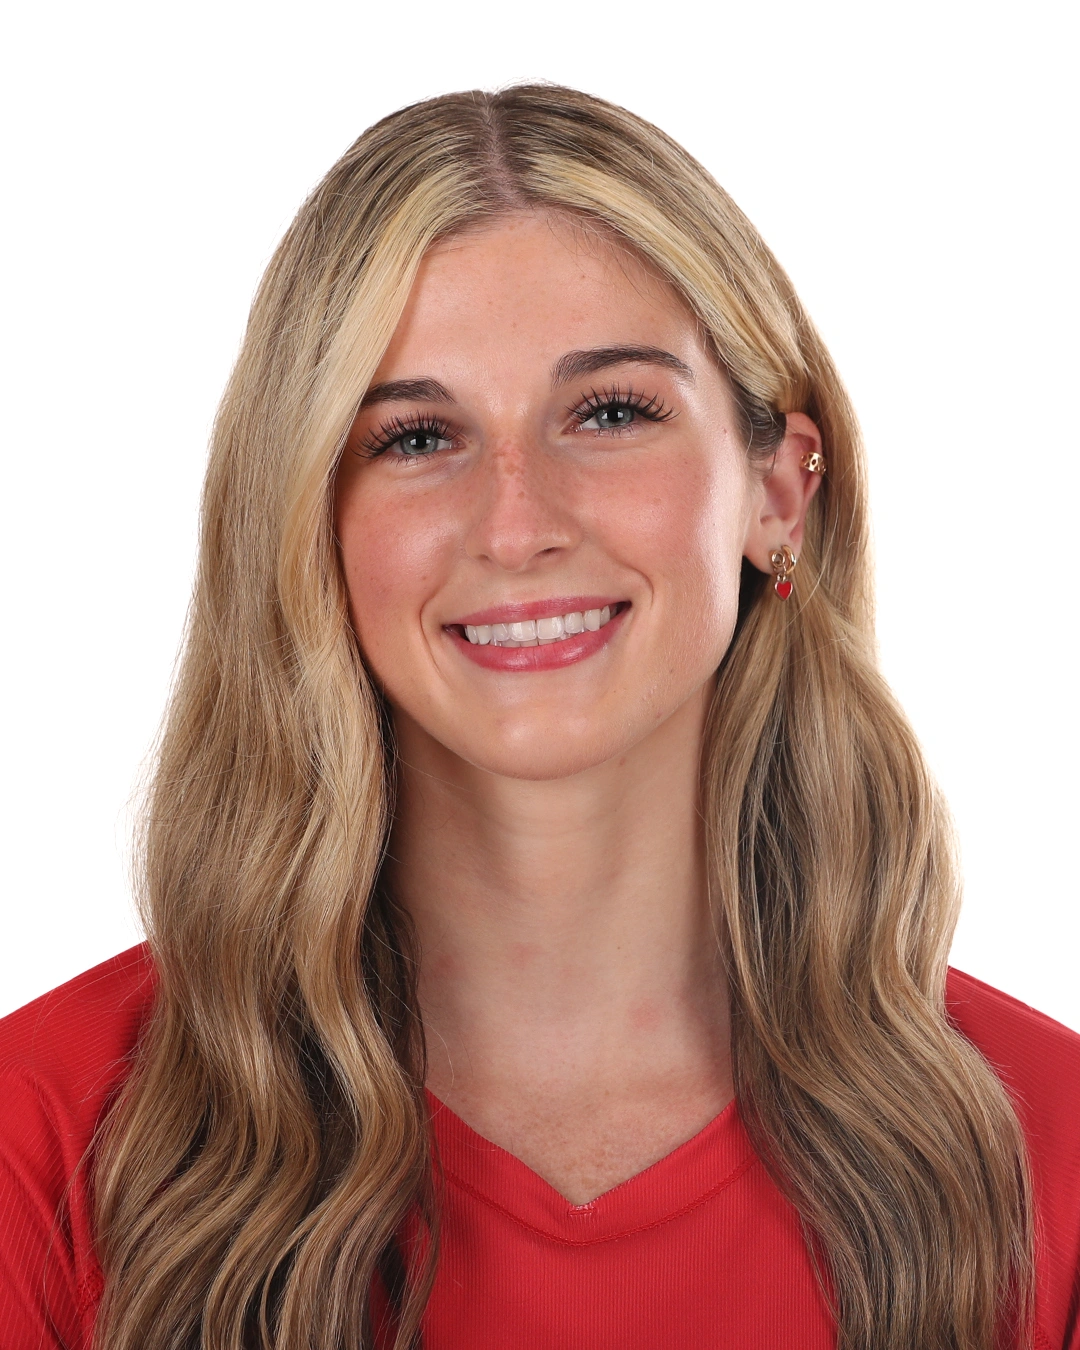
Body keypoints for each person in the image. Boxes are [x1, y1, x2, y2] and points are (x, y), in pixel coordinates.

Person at [1, 83, 1078, 1350]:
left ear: (780, 492)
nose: (517, 526)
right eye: (415, 437)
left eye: (611, 413)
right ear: (304, 522)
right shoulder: (46, 1142)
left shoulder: (1049, 1150)